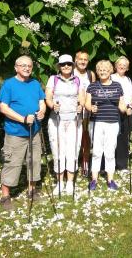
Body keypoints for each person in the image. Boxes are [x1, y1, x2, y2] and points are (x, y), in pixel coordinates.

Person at [0, 55, 46, 211]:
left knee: (34, 161)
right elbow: (3, 108)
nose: (26, 68)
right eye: (23, 65)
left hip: (35, 131)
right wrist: (23, 119)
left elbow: (41, 102)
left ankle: (31, 190)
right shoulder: (9, 84)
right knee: (12, 162)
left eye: (29, 66)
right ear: (16, 67)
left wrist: (42, 112)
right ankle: (5, 195)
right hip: (15, 132)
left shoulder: (35, 83)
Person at [45, 54, 85, 195]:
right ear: (59, 67)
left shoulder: (77, 80)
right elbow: (48, 97)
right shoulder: (53, 79)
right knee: (58, 150)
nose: (66, 66)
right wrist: (52, 105)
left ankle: (69, 183)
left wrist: (81, 106)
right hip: (57, 120)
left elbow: (82, 98)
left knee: (73, 150)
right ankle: (60, 182)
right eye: (63, 64)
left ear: (73, 65)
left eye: (69, 63)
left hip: (74, 120)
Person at [85, 60, 127, 190]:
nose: (102, 72)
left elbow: (121, 103)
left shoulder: (117, 86)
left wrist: (126, 108)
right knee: (97, 151)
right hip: (96, 122)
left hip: (112, 123)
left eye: (105, 70)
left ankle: (110, 180)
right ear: (97, 72)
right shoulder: (92, 86)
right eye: (100, 70)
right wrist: (91, 108)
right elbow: (87, 103)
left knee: (109, 152)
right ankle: (94, 180)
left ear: (110, 72)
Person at [111, 56, 132, 172]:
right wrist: (124, 108)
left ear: (127, 68)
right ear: (115, 66)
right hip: (115, 111)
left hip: (128, 111)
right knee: (113, 137)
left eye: (125, 65)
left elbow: (130, 96)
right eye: (120, 64)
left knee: (124, 137)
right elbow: (114, 96)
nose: (122, 66)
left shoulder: (128, 79)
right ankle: (110, 163)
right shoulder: (111, 78)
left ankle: (122, 164)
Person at [73, 50, 96, 177]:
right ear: (75, 60)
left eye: (85, 59)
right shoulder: (70, 71)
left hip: (87, 112)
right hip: (73, 112)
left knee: (85, 138)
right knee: (74, 138)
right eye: (80, 59)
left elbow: (94, 91)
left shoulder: (90, 74)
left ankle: (85, 164)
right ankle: (72, 164)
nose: (82, 61)